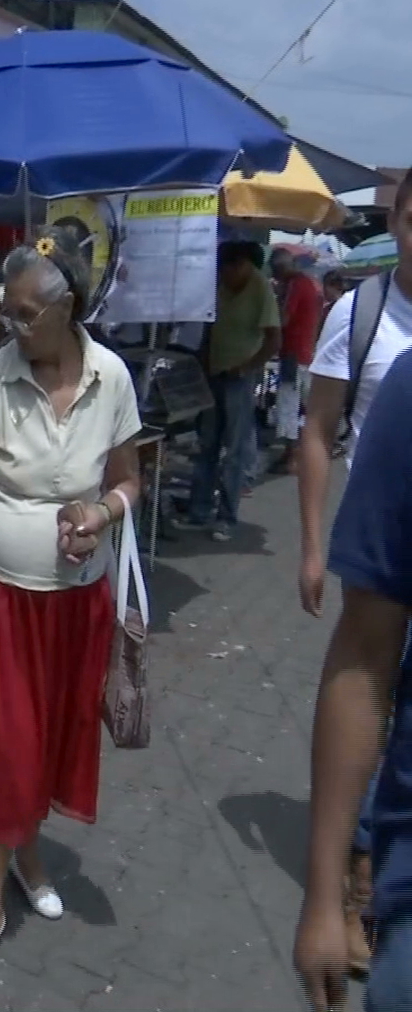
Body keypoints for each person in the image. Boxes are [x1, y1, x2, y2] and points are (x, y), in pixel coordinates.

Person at [0, 227, 141, 977]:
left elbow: (128, 481)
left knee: (48, 739)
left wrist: (102, 514)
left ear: (69, 308)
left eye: (26, 315)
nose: (12, 326)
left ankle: (30, 857)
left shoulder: (111, 378)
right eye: (7, 311)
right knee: (6, 743)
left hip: (74, 602)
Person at [298, 169, 412, 973]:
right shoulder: (362, 313)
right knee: (378, 687)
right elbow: (317, 429)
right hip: (381, 536)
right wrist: (309, 542)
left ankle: (372, 862)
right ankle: (359, 872)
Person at [174, 241, 279, 542]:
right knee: (206, 445)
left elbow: (274, 339)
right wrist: (203, 362)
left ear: (243, 265)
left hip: (239, 380)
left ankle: (227, 518)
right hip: (213, 373)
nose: (225, 275)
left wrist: (249, 366)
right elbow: (209, 326)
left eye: (230, 268)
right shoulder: (218, 285)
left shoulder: (260, 288)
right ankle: (199, 511)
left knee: (234, 451)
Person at [270, 247, 324, 474]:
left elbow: (283, 318)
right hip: (307, 350)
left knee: (288, 404)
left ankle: (291, 456)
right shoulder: (310, 283)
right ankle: (304, 452)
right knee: (305, 405)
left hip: (293, 352)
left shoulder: (294, 285)